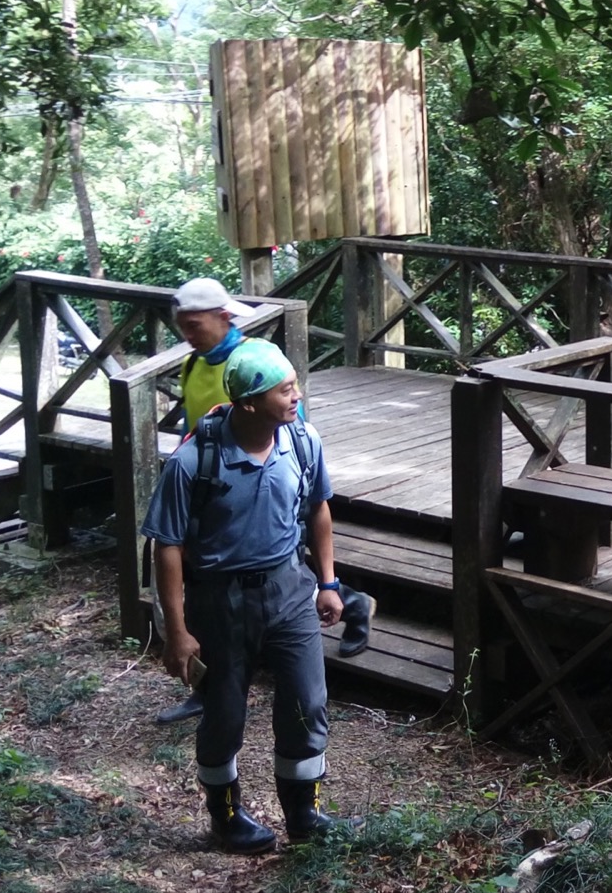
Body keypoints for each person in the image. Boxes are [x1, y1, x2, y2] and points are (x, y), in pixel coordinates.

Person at [144, 338, 358, 852]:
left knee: (308, 701)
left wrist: (328, 583)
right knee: (224, 712)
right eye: (285, 389)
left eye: (294, 385)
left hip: (289, 589)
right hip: (220, 601)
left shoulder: (302, 442)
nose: (296, 395)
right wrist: (177, 631)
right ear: (248, 403)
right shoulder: (192, 462)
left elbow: (318, 510)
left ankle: (305, 814)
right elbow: (167, 547)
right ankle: (226, 818)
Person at [152, 279, 375, 728]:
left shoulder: (256, 363)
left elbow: (293, 435)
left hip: (268, 492)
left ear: (224, 317)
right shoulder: (195, 365)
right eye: (183, 327)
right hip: (218, 495)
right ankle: (210, 691)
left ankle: (348, 600)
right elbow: (192, 430)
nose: (188, 335)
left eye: (194, 325)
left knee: (282, 573)